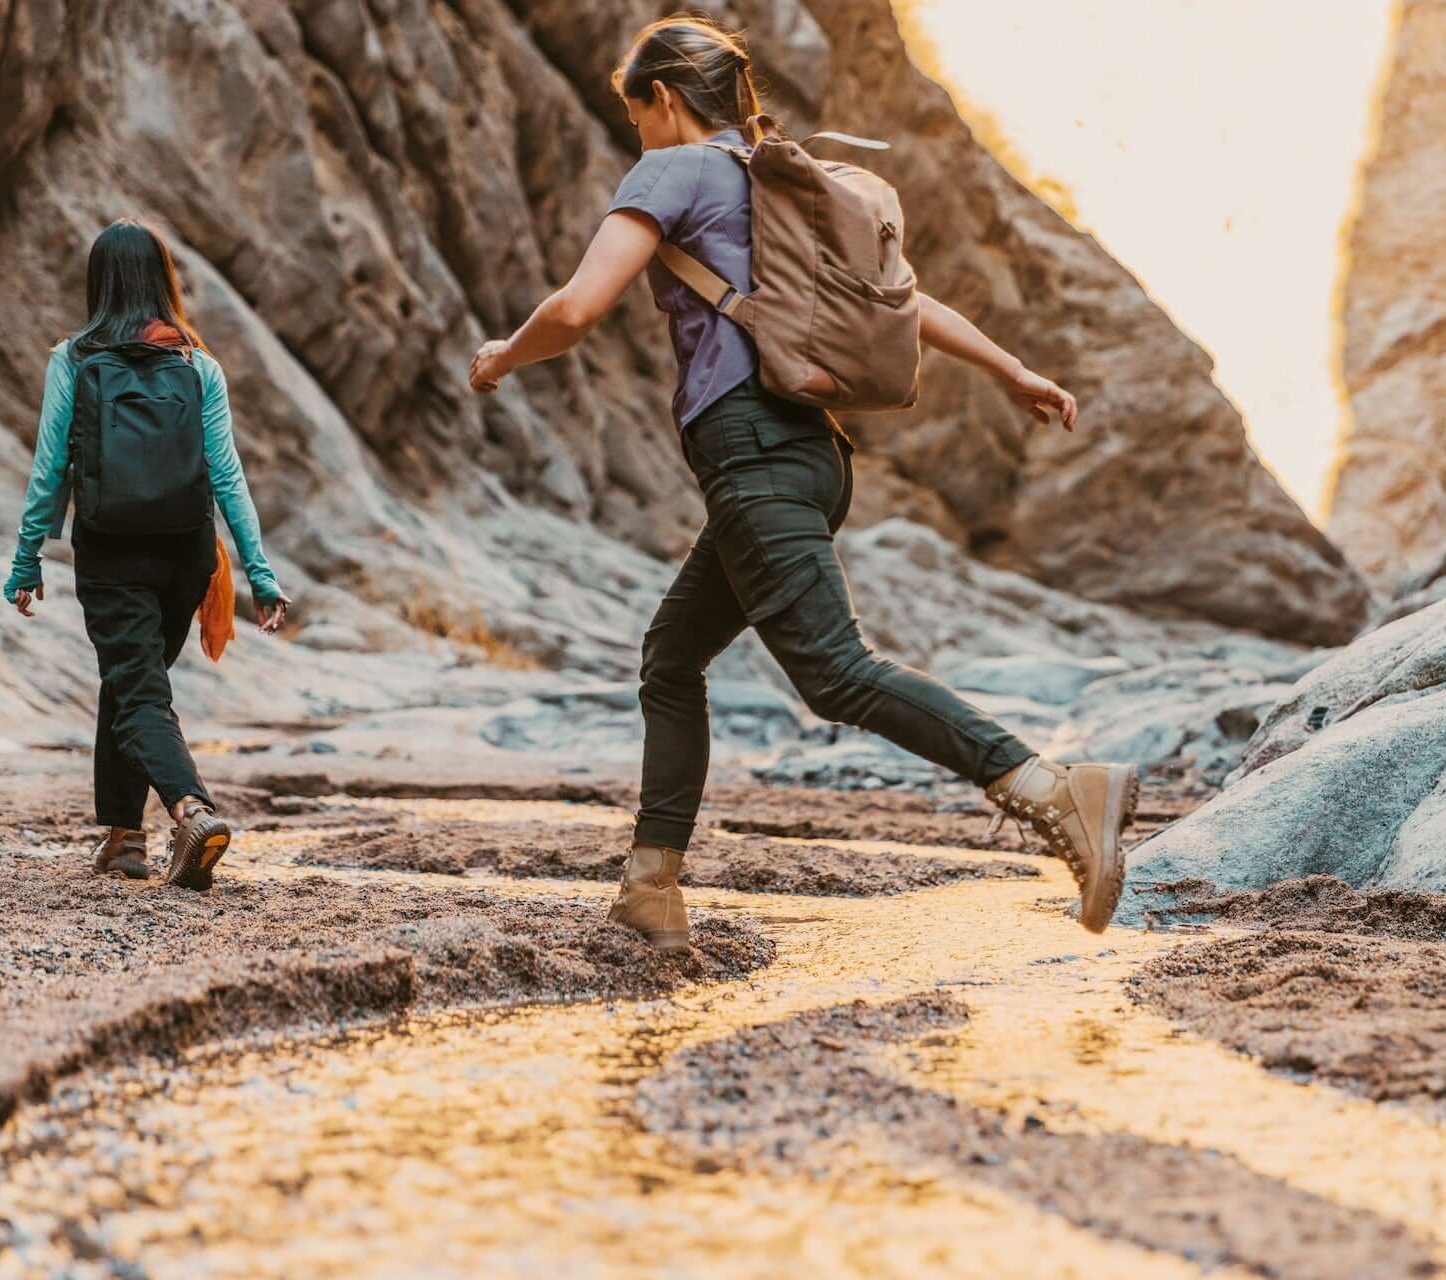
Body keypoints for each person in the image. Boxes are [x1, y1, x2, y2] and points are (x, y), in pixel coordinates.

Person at [469, 16, 1137, 952]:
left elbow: (578, 308)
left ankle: (1050, 787)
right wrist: (1009, 368)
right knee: (671, 657)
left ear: (663, 100)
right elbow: (905, 301)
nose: (640, 140)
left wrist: (503, 355)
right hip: (814, 456)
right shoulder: (785, 180)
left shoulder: (674, 171)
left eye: (638, 121)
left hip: (753, 453)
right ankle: (650, 888)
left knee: (833, 673)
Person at [4, 218, 291, 890]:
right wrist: (259, 571)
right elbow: (227, 477)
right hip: (186, 553)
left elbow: (50, 471)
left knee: (136, 689)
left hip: (110, 549)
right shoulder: (199, 365)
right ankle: (124, 839)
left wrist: (26, 558)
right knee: (131, 681)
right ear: (165, 282)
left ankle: (191, 811)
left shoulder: (73, 360)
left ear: (99, 283)